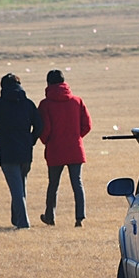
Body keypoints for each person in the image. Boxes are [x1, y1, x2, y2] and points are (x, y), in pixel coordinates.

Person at [0, 73, 42, 230]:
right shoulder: (28, 104)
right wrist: (31, 140)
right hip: (25, 151)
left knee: (17, 189)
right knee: (20, 186)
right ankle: (16, 219)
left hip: (8, 151)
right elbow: (39, 126)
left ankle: (23, 223)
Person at [38, 69, 92, 227]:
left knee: (53, 185)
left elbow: (45, 129)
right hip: (75, 148)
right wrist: (76, 137)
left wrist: (47, 141)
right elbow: (87, 125)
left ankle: (50, 216)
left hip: (55, 149)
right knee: (77, 183)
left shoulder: (45, 104)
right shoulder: (77, 101)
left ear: (48, 83)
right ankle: (79, 218)